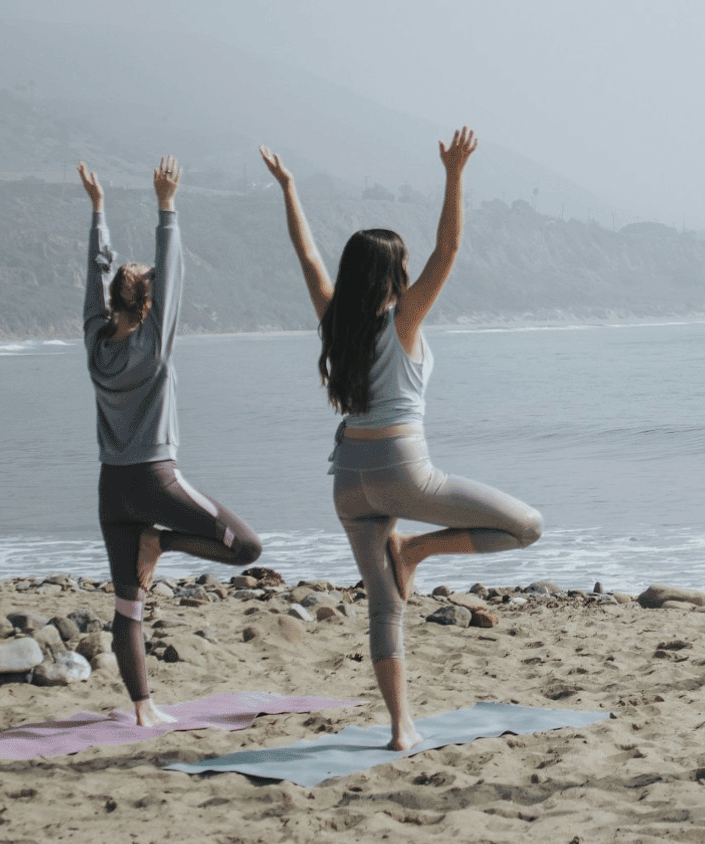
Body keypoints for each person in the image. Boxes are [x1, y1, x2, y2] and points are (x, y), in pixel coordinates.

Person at [260, 129, 542, 752]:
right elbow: (450, 248)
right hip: (401, 470)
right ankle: (415, 551)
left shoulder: (336, 320)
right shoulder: (404, 319)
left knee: (383, 609)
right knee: (526, 527)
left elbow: (307, 257)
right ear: (395, 272)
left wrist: (289, 188)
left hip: (346, 482)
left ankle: (400, 728)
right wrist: (455, 172)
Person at [79, 157, 263, 727]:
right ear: (150, 308)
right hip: (157, 482)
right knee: (246, 547)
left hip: (113, 489)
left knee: (127, 606)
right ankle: (163, 544)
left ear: (112, 304)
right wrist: (167, 206)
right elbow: (172, 269)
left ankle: (142, 709)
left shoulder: (94, 340)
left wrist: (99, 213)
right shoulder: (155, 345)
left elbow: (94, 276)